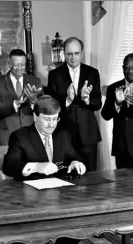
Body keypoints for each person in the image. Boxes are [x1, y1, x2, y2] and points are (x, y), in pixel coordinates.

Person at [2, 95, 85, 244]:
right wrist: (37, 166)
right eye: (47, 119)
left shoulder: (63, 135)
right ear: (35, 116)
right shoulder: (20, 136)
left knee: (80, 224)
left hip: (60, 200)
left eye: (55, 119)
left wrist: (76, 162)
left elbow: (74, 156)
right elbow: (9, 166)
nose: (51, 124)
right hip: (29, 202)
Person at [44, 37, 102, 172]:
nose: (73, 57)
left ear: (82, 53)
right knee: (65, 176)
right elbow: (51, 106)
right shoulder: (54, 74)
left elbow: (97, 103)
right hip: (63, 134)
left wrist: (86, 99)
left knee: (90, 175)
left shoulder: (92, 73)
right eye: (69, 54)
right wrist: (68, 100)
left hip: (88, 134)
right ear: (64, 54)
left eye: (76, 53)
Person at [0, 49, 43, 145]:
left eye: (22, 65)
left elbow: (44, 109)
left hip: (31, 135)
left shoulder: (35, 81)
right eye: (16, 64)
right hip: (7, 136)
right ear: (9, 64)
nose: (19, 68)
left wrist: (33, 101)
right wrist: (16, 103)